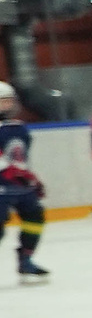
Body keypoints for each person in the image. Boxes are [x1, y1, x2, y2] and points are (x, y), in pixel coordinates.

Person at [0, 82, 46, 284]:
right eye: (2, 102)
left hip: (20, 185)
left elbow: (20, 157)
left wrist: (31, 178)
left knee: (35, 218)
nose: (7, 105)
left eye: (9, 101)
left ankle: (26, 259)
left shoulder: (18, 127)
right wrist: (12, 172)